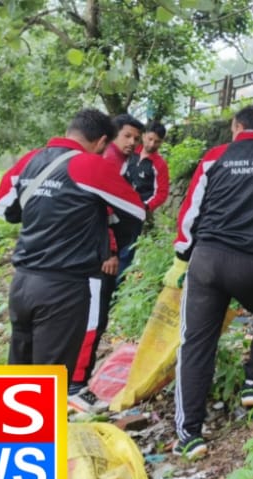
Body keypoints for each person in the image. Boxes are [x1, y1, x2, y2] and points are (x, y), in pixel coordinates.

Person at [170, 106, 253, 459]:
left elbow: (190, 210)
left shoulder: (214, 157)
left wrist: (183, 253)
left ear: (236, 126)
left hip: (207, 262)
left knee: (195, 343)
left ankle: (189, 435)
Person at [0, 109, 144, 402]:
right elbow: (135, 212)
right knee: (49, 383)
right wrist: (105, 243)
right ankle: (43, 440)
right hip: (63, 287)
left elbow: (5, 209)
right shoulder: (90, 166)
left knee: (19, 374)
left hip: (22, 282)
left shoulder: (30, 160)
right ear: (101, 142)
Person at [72, 114, 149, 405]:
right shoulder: (105, 162)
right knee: (93, 315)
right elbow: (104, 211)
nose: (133, 143)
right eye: (127, 136)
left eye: (136, 138)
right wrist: (111, 250)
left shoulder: (124, 161)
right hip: (101, 254)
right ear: (109, 137)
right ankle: (75, 387)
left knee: (97, 310)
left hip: (98, 251)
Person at [126, 121, 171, 214]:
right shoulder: (129, 152)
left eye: (157, 141)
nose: (152, 144)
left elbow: (162, 193)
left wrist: (145, 207)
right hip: (119, 202)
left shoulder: (160, 164)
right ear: (143, 136)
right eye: (150, 139)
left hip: (140, 210)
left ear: (162, 142)